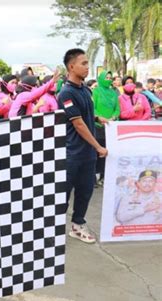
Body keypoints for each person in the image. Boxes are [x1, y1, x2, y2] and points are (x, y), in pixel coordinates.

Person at [57, 48, 108, 244]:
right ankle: (52, 228)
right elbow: (77, 124)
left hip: (87, 154)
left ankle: (78, 225)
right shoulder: (66, 93)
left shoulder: (85, 89)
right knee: (62, 193)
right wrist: (98, 147)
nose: (88, 67)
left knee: (85, 191)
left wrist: (97, 117)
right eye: (84, 63)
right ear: (71, 66)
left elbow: (84, 114)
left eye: (88, 63)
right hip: (72, 153)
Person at [92, 70, 120, 186]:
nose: (108, 79)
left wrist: (113, 117)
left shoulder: (114, 93)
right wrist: (100, 118)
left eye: (110, 78)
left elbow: (117, 109)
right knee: (96, 152)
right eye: (106, 77)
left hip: (111, 127)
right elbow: (92, 108)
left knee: (108, 152)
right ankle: (94, 177)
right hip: (98, 126)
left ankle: (104, 176)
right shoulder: (96, 91)